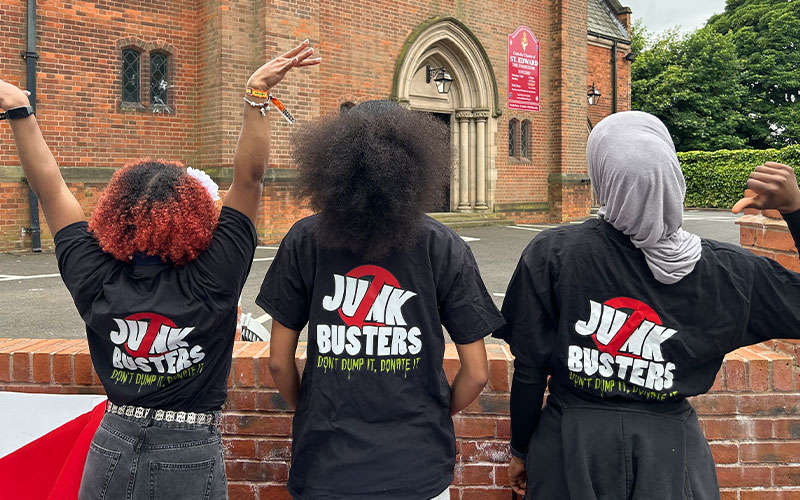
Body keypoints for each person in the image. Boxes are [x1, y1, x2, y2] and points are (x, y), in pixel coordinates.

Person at [0, 41, 319, 499]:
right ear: (194, 214)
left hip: (110, 445)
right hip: (189, 453)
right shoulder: (214, 276)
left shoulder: (96, 277)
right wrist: (255, 96)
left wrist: (20, 110)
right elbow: (249, 180)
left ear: (114, 212)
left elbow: (50, 191)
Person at [496, 110, 800, 500]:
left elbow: (530, 368)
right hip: (673, 453)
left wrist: (520, 450)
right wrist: (794, 210)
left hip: (570, 444)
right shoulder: (729, 272)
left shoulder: (554, 253)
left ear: (602, 176)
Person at [257, 100, 505, 500]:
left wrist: (313, 411)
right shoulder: (442, 244)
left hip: (327, 464)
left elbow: (278, 361)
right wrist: (433, 414)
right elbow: (476, 372)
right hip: (418, 465)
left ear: (333, 162)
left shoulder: (305, 240)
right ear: (416, 162)